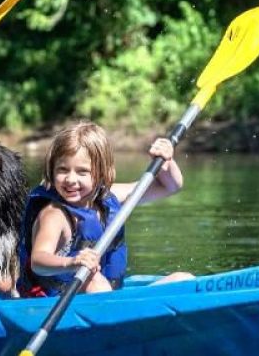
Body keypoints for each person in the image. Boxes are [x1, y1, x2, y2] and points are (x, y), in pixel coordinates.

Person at [18, 121, 194, 296]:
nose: (71, 179)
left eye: (82, 172)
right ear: (51, 169)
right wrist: (72, 262)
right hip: (56, 300)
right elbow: (38, 261)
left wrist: (167, 163)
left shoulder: (107, 197)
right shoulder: (54, 214)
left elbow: (168, 187)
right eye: (63, 170)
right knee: (95, 283)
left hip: (106, 294)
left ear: (102, 173)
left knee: (183, 279)